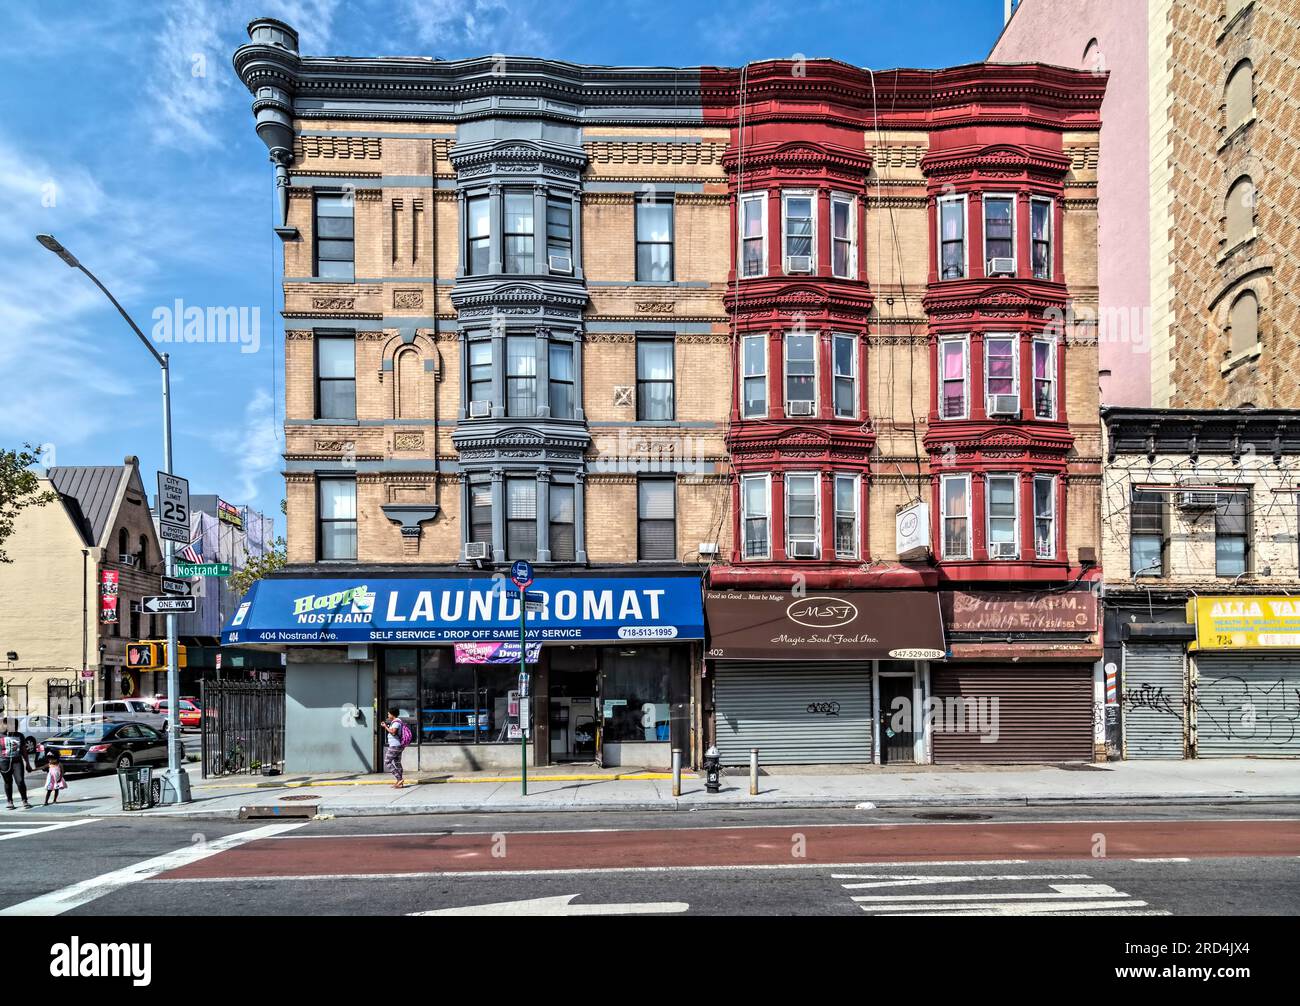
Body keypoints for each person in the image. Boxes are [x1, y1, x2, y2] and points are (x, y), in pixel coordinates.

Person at [0, 728, 33, 810]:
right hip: (4, 762)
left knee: (20, 781)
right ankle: (10, 801)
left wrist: (27, 763)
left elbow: (24, 750)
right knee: (8, 781)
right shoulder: (0, 735)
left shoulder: (19, 735)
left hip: (17, 761)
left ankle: (24, 800)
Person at [380, 707, 408, 788]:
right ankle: (400, 783)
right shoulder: (397, 721)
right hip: (398, 745)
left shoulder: (396, 722)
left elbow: (393, 732)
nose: (388, 715)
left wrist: (385, 726)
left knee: (387, 762)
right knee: (397, 763)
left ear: (392, 714)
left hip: (395, 746)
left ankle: (399, 779)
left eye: (388, 714)